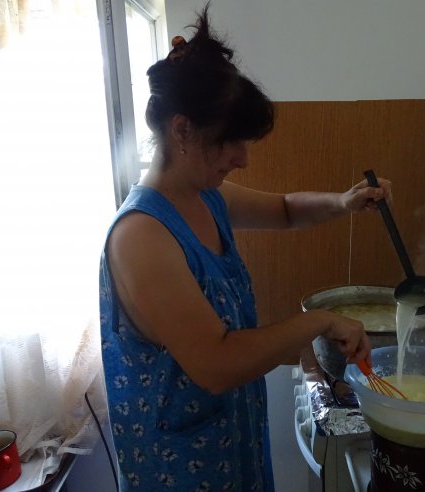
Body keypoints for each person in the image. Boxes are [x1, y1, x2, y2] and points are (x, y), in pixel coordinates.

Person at [99, 5, 392, 491]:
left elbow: (285, 210)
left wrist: (344, 202)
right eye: (230, 141)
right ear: (182, 129)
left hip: (230, 445)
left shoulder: (204, 196)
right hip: (180, 470)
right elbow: (216, 364)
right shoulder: (142, 236)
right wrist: (319, 321)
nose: (243, 158)